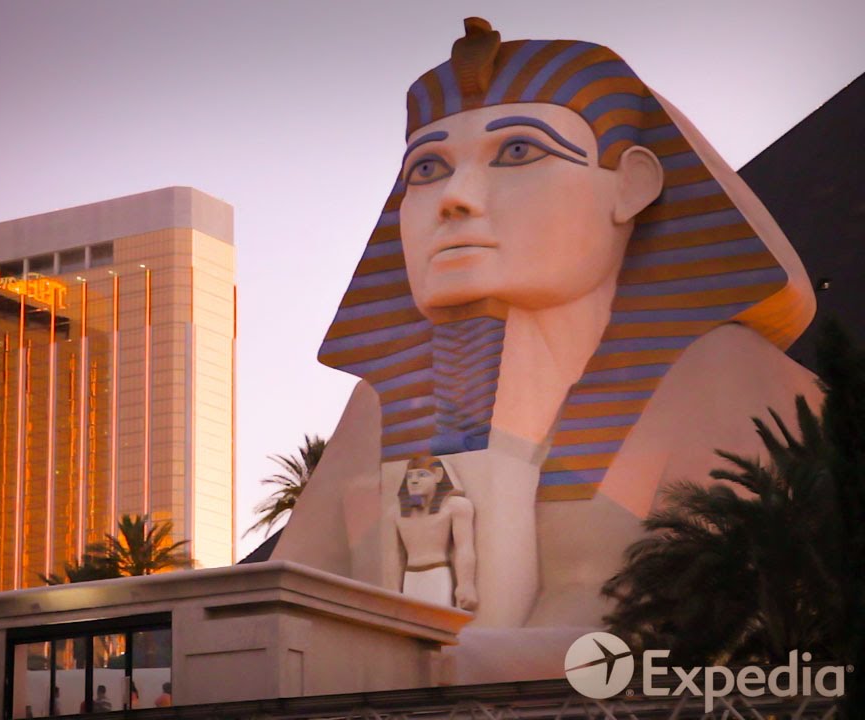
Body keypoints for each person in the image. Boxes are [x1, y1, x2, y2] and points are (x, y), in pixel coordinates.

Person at [272, 16, 819, 679]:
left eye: (518, 151)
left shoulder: (723, 372)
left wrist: (429, 672)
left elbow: (665, 640)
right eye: (427, 168)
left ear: (632, 186)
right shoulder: (380, 406)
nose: (454, 199)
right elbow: (277, 615)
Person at [395, 456, 476, 610]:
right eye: (410, 476)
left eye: (422, 474)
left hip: (437, 574)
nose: (414, 481)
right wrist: (392, 590)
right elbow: (394, 556)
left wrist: (466, 584)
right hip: (409, 577)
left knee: (438, 620)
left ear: (438, 475)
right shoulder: (395, 513)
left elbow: (464, 548)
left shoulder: (457, 506)